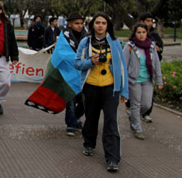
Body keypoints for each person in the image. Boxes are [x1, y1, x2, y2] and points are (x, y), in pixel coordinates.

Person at [74, 12, 128, 173]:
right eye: (97, 22)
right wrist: (91, 61)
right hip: (91, 86)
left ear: (107, 26)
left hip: (110, 87)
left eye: (104, 23)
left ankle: (112, 157)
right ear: (92, 25)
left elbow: (122, 67)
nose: (100, 26)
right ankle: (89, 143)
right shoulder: (86, 42)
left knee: (111, 121)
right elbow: (77, 63)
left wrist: (124, 90)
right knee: (91, 118)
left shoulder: (115, 42)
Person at [123, 23, 163, 140]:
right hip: (134, 81)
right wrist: (124, 82)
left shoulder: (151, 46)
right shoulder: (129, 46)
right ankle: (137, 128)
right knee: (135, 104)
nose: (141, 35)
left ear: (147, 33)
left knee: (146, 104)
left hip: (148, 80)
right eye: (139, 32)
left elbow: (156, 64)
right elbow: (124, 65)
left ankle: (133, 116)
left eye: (143, 32)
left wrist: (159, 80)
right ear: (134, 33)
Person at [61, 12, 87, 137]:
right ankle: (71, 124)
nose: (80, 26)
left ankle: (76, 117)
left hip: (83, 73)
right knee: (70, 101)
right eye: (77, 23)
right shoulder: (64, 37)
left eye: (81, 23)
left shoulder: (87, 36)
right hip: (69, 73)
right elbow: (61, 53)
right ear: (70, 24)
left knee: (83, 101)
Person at [137, 12, 163, 123]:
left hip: (150, 69)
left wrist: (159, 49)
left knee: (148, 97)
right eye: (148, 21)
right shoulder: (137, 34)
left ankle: (146, 113)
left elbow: (160, 48)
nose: (150, 23)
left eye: (151, 21)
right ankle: (135, 116)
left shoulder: (154, 35)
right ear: (142, 22)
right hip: (137, 72)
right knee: (136, 97)